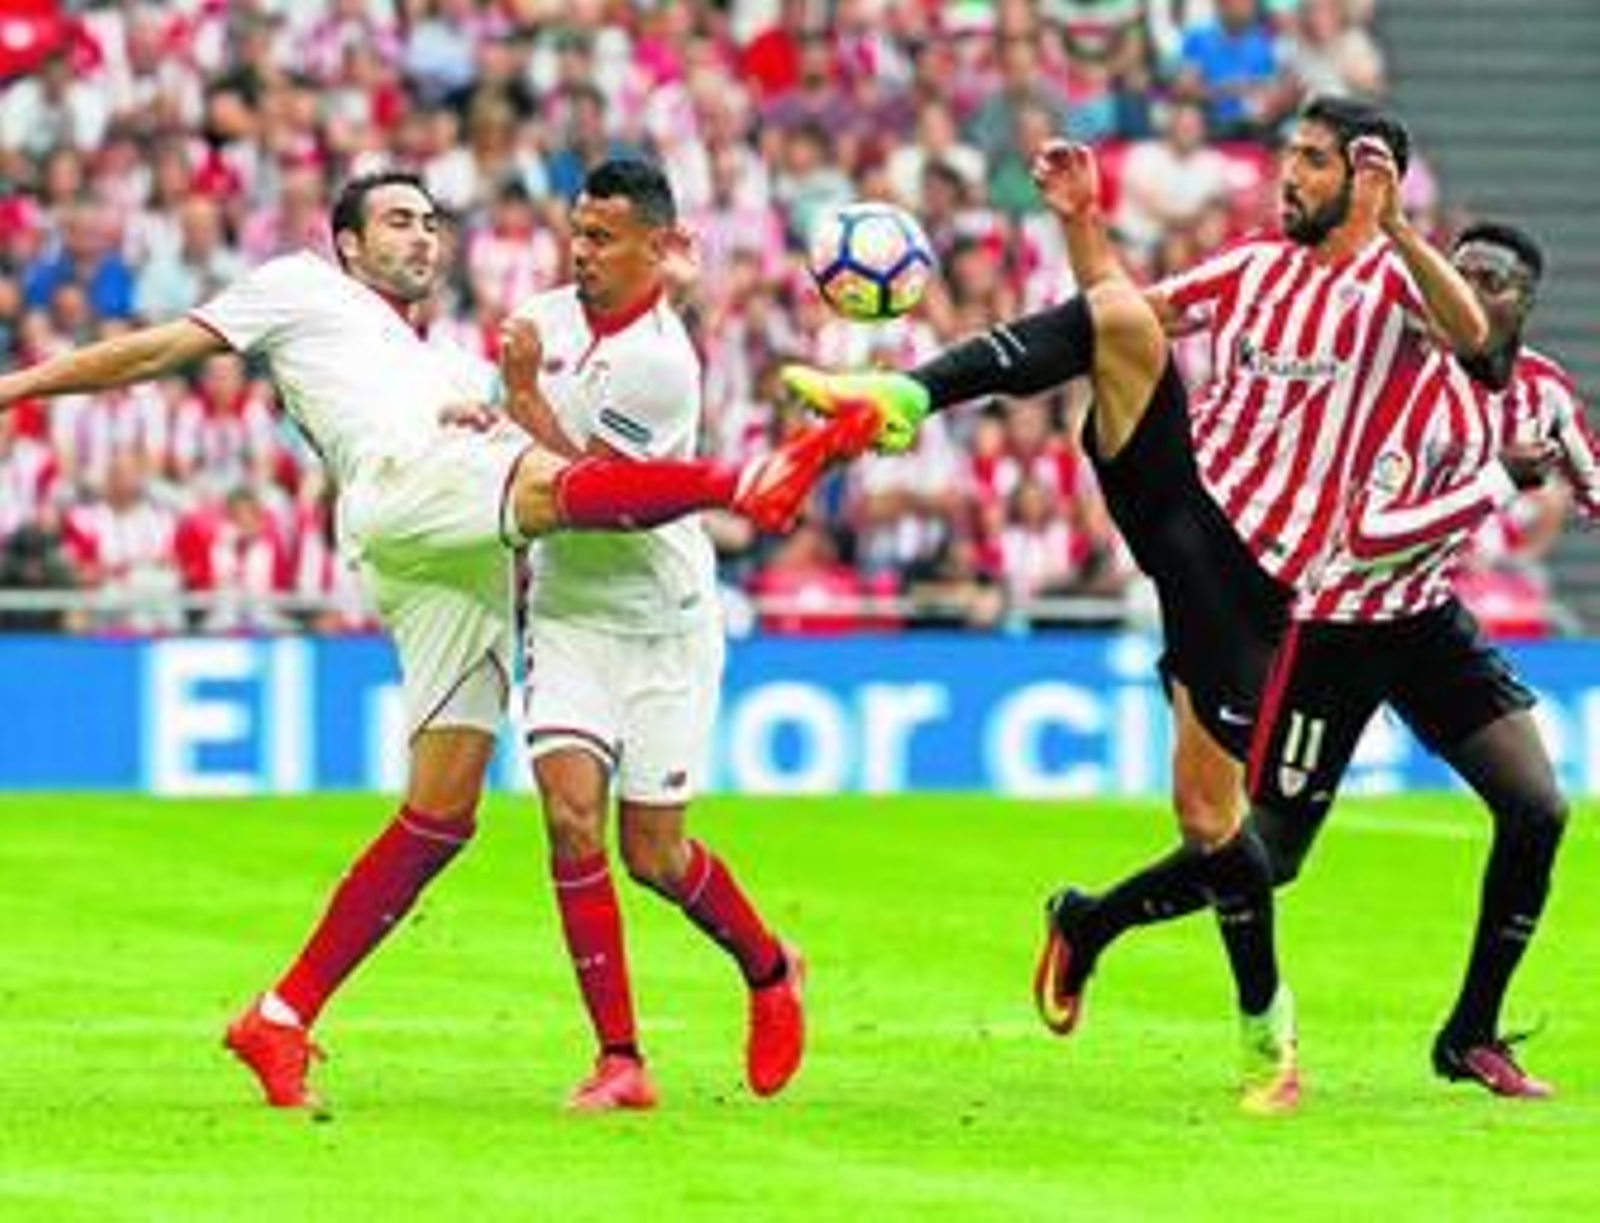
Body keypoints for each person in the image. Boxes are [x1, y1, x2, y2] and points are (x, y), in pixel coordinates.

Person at [0, 169, 879, 1113]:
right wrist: (20, 385)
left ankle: (280, 1017)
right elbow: (157, 350)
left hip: (468, 561)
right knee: (535, 514)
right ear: (345, 244)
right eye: (397, 221)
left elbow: (551, 437)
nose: (423, 237)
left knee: (446, 810)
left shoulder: (450, 358)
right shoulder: (300, 287)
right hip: (398, 493)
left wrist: (506, 399)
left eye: (430, 222)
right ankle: (749, 480)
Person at [783, 95, 1489, 1112]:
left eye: (1308, 161)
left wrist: (1400, 228)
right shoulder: (1252, 268)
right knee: (1116, 314)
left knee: (1213, 823)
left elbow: (1471, 338)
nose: (1284, 175)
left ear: (1363, 176)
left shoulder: (1396, 287)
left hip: (1274, 593)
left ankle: (1172, 975)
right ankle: (902, 397)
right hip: (1190, 517)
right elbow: (1117, 317)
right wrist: (1081, 222)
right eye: (1285, 154)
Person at [1237, 221, 1597, 1097]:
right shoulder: (1402, 386)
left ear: (1524, 301)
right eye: (1458, 271)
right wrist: (1495, 482)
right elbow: (1365, 534)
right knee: (1271, 858)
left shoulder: (1542, 393)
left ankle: (1469, 1034)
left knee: (1538, 808)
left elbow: (1593, 483)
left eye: (1492, 279)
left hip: (1426, 623)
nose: (1471, 290)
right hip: (1338, 625)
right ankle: (1094, 921)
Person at [495, 159, 805, 1112]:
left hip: (663, 622)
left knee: (656, 856)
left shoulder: (663, 363)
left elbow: (604, 500)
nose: (580, 253)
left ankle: (767, 968)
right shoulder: (542, 319)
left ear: (657, 250)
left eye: (602, 238)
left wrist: (519, 400)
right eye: (577, 233)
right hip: (570, 616)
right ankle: (620, 1058)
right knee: (567, 817)